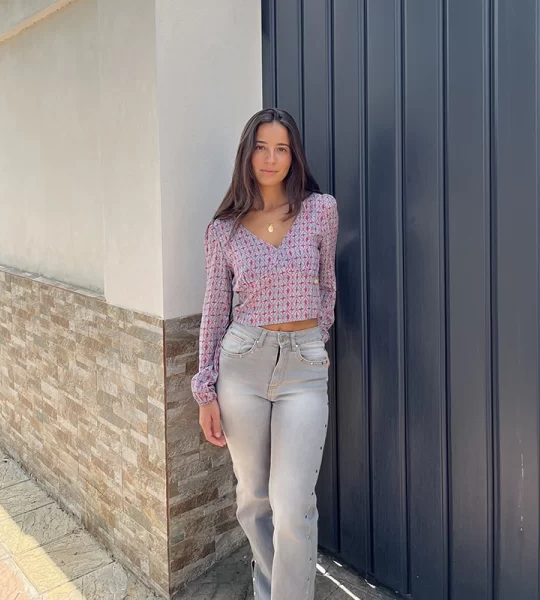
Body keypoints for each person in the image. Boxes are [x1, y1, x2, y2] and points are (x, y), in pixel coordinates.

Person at [191, 107, 339, 600]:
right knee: (254, 499)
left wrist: (316, 343)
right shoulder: (225, 229)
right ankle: (270, 591)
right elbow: (214, 309)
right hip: (243, 367)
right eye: (261, 147)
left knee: (292, 502)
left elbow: (328, 290)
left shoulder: (320, 211)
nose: (271, 158)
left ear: (293, 155)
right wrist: (205, 389)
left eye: (281, 148)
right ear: (247, 154)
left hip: (303, 368)